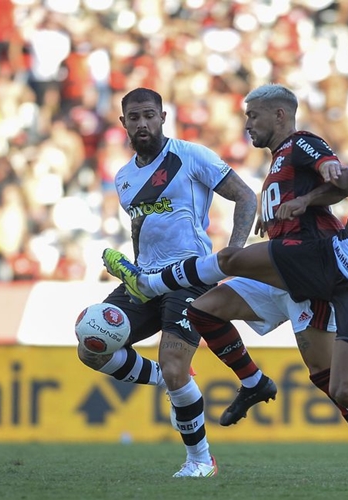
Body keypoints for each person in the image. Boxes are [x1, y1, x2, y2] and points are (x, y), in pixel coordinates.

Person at [104, 99, 348, 480]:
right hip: (331, 263)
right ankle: (251, 380)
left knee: (344, 388)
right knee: (205, 304)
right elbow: (342, 184)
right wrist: (306, 199)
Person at [178, 84, 348, 480]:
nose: (248, 124)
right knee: (203, 310)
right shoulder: (278, 161)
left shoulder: (301, 142)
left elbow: (335, 174)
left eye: (254, 116)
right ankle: (254, 382)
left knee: (327, 377)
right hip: (278, 269)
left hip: (309, 270)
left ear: (280, 115)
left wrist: (326, 175)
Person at [77, 88, 257, 478]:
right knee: (90, 347)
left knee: (176, 366)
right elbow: (142, 229)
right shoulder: (124, 177)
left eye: (149, 115)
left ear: (163, 117)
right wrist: (132, 269)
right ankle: (167, 379)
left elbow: (245, 197)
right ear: (123, 123)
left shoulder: (190, 156)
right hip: (144, 281)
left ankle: (200, 460)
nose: (142, 123)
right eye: (134, 117)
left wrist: (235, 253)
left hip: (187, 278)